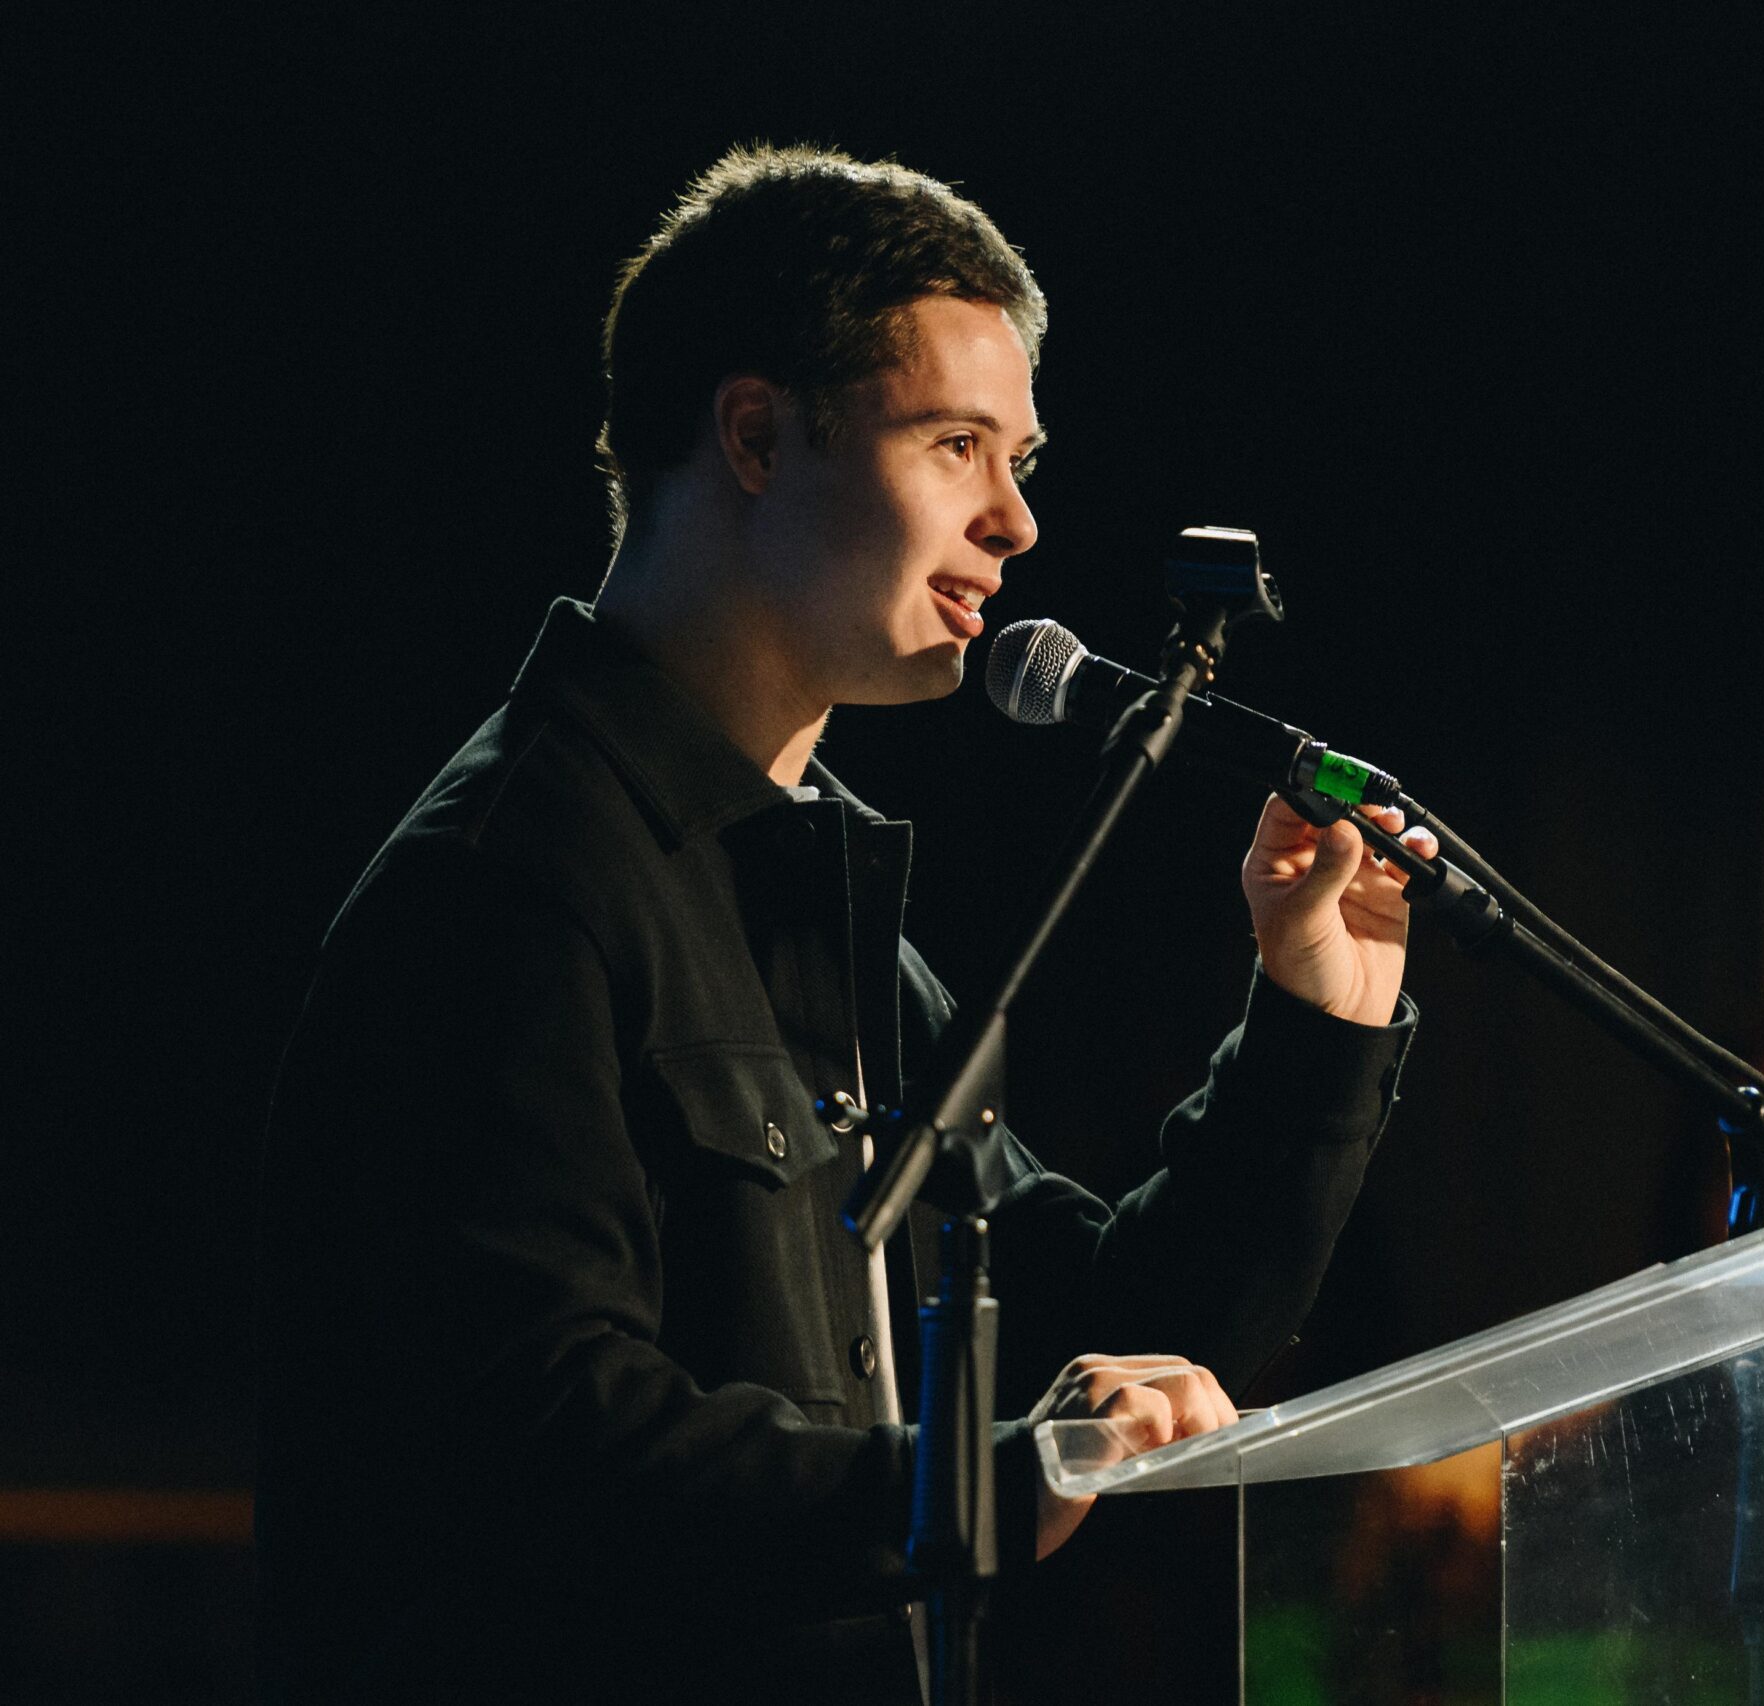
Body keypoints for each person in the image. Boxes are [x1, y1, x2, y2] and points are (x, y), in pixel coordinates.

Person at [255, 143, 1433, 1704]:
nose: (1016, 523)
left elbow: (1105, 1330)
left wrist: (1313, 1013)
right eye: (957, 445)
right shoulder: (504, 887)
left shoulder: (816, 913)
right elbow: (546, 1435)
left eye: (1021, 459)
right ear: (753, 433)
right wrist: (977, 1486)